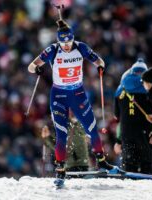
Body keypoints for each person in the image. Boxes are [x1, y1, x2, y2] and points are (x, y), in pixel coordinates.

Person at [28, 19, 120, 187]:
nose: (66, 46)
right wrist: (37, 68)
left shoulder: (81, 47)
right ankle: (60, 170)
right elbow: (31, 66)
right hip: (59, 95)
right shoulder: (53, 50)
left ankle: (102, 161)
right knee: (61, 133)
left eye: (68, 42)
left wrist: (100, 67)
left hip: (77, 93)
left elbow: (100, 60)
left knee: (92, 128)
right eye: (63, 43)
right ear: (58, 41)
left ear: (72, 38)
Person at [114, 58, 152, 174]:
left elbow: (117, 117)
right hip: (144, 132)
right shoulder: (149, 89)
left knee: (129, 165)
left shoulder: (120, 90)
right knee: (146, 165)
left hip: (127, 132)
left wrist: (118, 140)